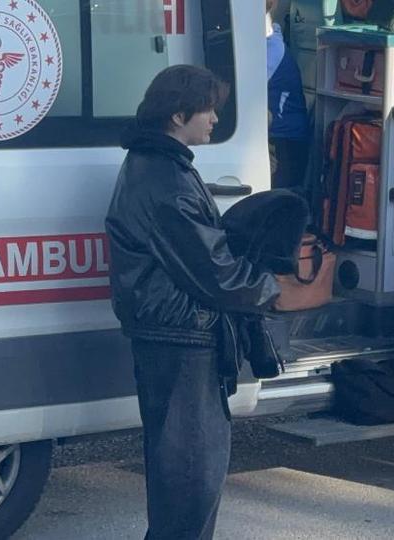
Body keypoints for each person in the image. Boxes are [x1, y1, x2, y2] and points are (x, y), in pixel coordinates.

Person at [106, 65, 284, 539]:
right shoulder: (166, 180)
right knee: (191, 481)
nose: (215, 119)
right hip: (182, 339)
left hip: (174, 334)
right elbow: (214, 271)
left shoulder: (157, 167)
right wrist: (273, 289)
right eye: (209, 109)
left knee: (184, 482)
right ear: (178, 115)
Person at [266, 0, 310, 190]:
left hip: (284, 142)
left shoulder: (271, 50)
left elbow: (229, 98)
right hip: (279, 137)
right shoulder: (268, 43)